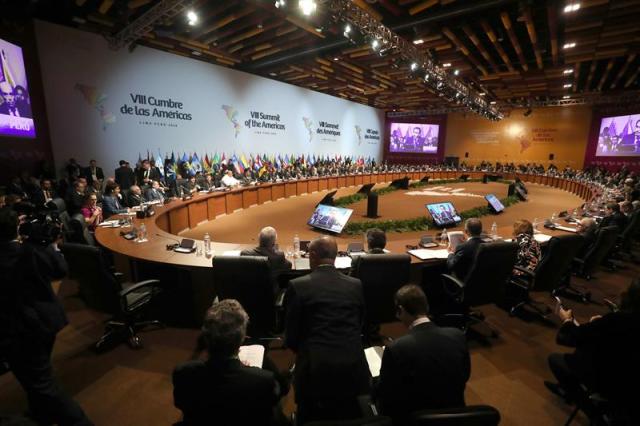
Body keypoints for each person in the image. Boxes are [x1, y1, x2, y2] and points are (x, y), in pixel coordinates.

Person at [0, 208, 92, 425]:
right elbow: (61, 270)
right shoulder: (33, 249)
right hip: (45, 322)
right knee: (37, 377)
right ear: (16, 227)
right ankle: (40, 413)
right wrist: (50, 246)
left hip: (18, 329)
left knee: (40, 382)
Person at [284, 236, 370, 424]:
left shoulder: (298, 286)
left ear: (313, 255)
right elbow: (360, 323)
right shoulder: (355, 285)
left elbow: (291, 336)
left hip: (314, 372)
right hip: (354, 368)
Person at [173, 300, 285, 425]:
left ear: (205, 338)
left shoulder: (183, 373)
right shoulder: (263, 379)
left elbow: (180, 403)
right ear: (242, 338)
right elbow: (278, 394)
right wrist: (249, 371)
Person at [545, 279, 640, 423]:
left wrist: (567, 321)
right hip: (632, 382)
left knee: (556, 360)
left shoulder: (617, 320)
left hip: (614, 381)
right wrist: (599, 325)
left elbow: (568, 338)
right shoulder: (619, 320)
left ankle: (595, 413)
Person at [375, 285, 470, 422]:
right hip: (454, 415)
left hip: (414, 418)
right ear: (426, 307)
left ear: (400, 310)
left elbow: (387, 393)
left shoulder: (396, 348)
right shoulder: (458, 336)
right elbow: (464, 375)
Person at [240, 226, 292, 294]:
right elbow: (289, 265)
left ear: (259, 239)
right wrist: (276, 251)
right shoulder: (279, 256)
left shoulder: (245, 254)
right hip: (271, 295)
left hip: (251, 293)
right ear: (274, 242)